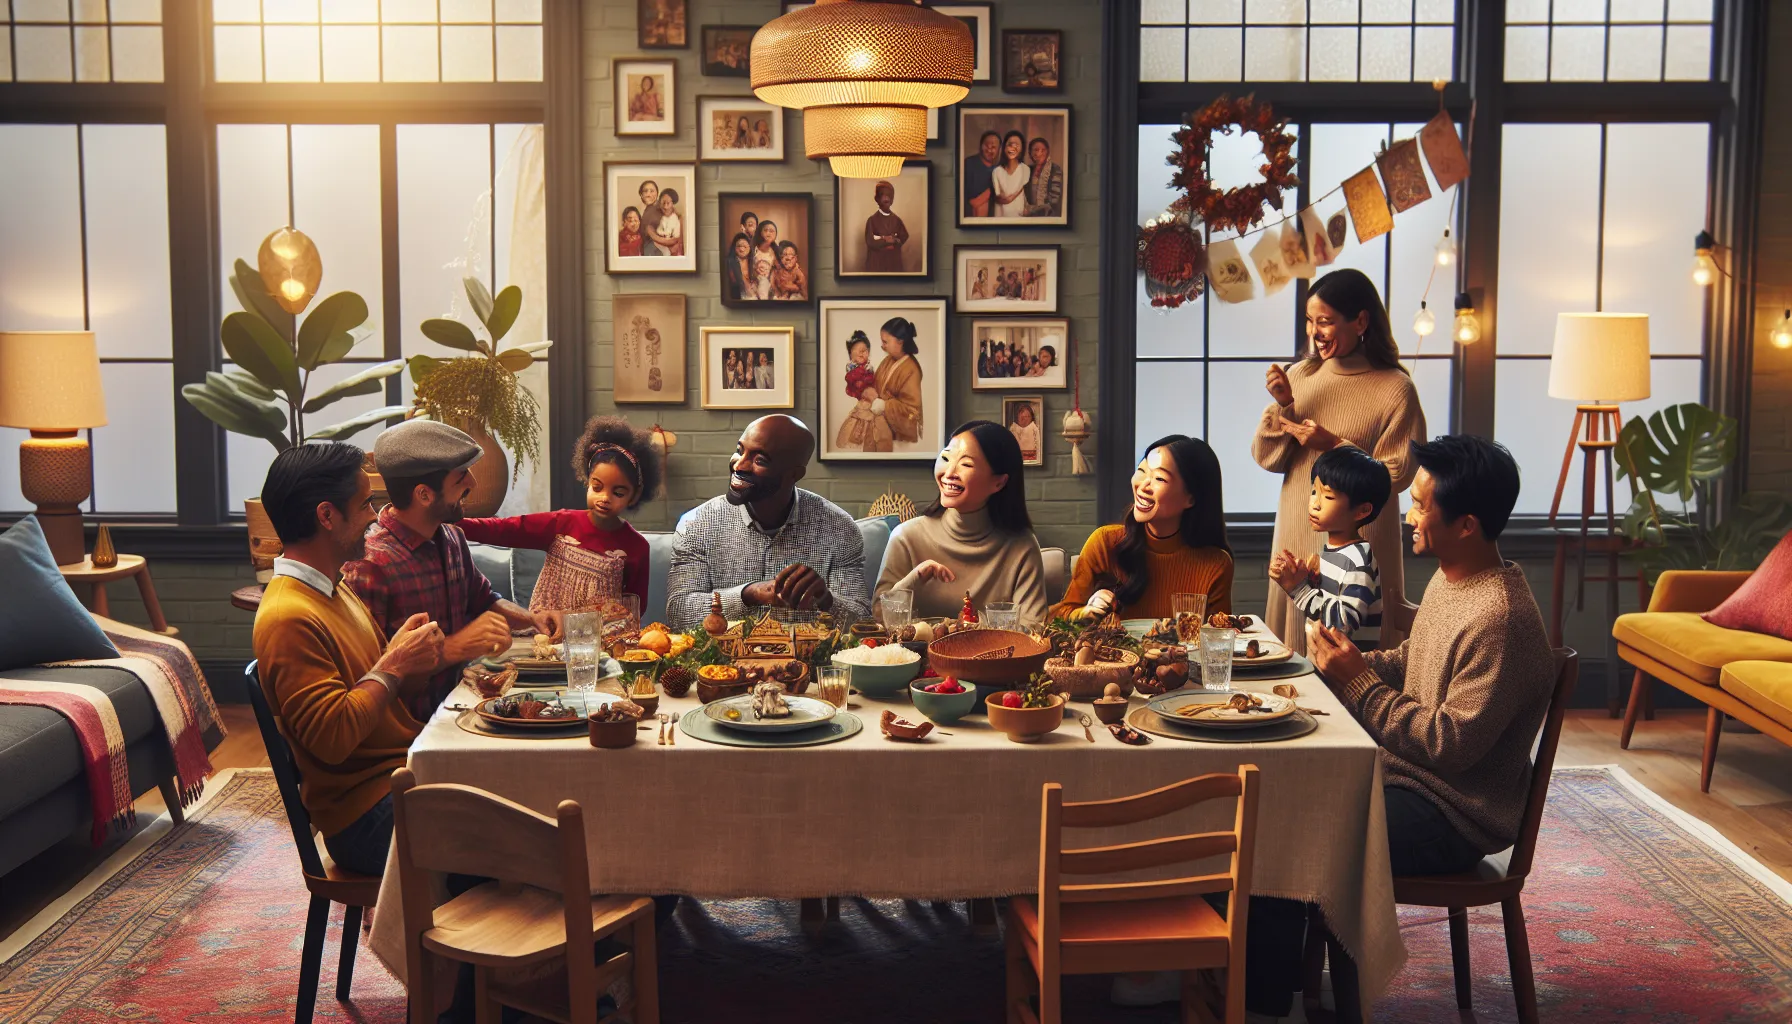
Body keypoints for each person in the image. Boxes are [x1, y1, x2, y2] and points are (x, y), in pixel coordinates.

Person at [1240, 435, 1555, 1020]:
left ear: (1465, 524)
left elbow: (1449, 745)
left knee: (1296, 830)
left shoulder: (1499, 617)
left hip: (1454, 811)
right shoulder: (1453, 577)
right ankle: (1273, 989)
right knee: (1271, 797)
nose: (1406, 515)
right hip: (1405, 778)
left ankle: (1277, 1002)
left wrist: (1358, 681)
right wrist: (1332, 669)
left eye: (1419, 504)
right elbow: (1413, 660)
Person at [252, 442, 444, 876]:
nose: (376, 517)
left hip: (394, 783)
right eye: (364, 505)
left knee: (523, 792)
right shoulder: (288, 617)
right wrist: (393, 666)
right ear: (326, 516)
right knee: (518, 839)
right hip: (364, 820)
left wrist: (403, 658)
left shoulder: (332, 587)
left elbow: (374, 692)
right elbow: (334, 739)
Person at [1252, 267, 1425, 654]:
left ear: (1361, 320)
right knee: (1292, 661)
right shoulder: (1300, 375)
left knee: (1355, 651)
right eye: (1310, 321)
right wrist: (1284, 405)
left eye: (1325, 321)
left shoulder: (1396, 389)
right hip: (1297, 528)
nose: (1314, 332)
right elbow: (1267, 457)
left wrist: (1332, 443)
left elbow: (1396, 474)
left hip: (1361, 539)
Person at [341, 420, 554, 720]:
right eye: (461, 479)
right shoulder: (367, 564)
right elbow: (369, 677)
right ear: (424, 495)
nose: (473, 484)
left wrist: (532, 619)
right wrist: (454, 647)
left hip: (465, 707)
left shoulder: (452, 537)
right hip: (414, 733)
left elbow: (483, 599)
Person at [666, 415, 869, 629]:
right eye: (739, 450)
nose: (740, 465)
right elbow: (679, 613)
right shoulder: (697, 524)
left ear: (794, 474)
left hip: (808, 660)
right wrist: (748, 595)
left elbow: (862, 622)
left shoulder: (839, 529)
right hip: (722, 661)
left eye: (759, 460)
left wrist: (827, 600)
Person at [460, 416, 660, 617]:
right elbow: (504, 529)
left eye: (618, 493)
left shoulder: (637, 547)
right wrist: (453, 523)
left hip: (597, 643)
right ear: (587, 481)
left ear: (634, 495)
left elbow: (633, 609)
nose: (605, 498)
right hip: (545, 634)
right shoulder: (561, 523)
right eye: (597, 487)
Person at [877, 420, 1048, 623]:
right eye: (946, 458)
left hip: (995, 654)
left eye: (966, 464)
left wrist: (965, 629)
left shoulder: (1022, 546)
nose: (949, 474)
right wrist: (913, 580)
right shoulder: (906, 537)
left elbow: (1033, 627)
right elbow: (879, 618)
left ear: (999, 482)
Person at [1053, 435, 1233, 621]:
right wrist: (1084, 612)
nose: (1143, 485)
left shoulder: (1216, 563)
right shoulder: (1105, 543)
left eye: (1160, 478)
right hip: (1116, 650)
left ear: (1191, 498)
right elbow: (1059, 617)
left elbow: (1220, 634)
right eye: (1142, 470)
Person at [1269, 445, 1389, 647]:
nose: (1315, 503)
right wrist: (1305, 578)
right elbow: (1327, 602)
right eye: (1314, 491)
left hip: (1347, 675)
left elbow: (1343, 622)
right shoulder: (1334, 551)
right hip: (1325, 668)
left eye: (1328, 496)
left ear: (1362, 511)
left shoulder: (1358, 560)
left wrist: (1298, 589)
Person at [866, 316, 925, 453]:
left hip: (899, 437)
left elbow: (912, 410)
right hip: (880, 425)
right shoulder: (888, 360)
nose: (882, 346)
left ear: (900, 341)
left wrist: (885, 405)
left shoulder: (911, 369)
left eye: (885, 342)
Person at [835, 331, 886, 453]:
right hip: (865, 402)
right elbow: (857, 384)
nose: (862, 352)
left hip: (873, 402)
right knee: (863, 428)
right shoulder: (853, 371)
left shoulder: (869, 368)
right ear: (850, 354)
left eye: (865, 350)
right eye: (858, 350)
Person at [863, 180, 910, 274]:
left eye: (889, 195)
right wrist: (885, 240)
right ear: (877, 198)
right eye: (882, 195)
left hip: (893, 264)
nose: (886, 198)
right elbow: (870, 242)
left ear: (892, 199)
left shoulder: (897, 220)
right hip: (876, 265)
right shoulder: (872, 220)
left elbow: (904, 236)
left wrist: (895, 240)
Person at [991, 130, 1031, 217]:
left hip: (1019, 220)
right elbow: (999, 197)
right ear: (1004, 147)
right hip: (1001, 219)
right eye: (1010, 144)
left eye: (1017, 145)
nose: (1013, 148)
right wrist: (1003, 198)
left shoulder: (1025, 169)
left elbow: (1024, 195)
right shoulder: (997, 171)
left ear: (1022, 149)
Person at [1023, 136, 1064, 219]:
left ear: (1048, 152)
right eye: (1035, 150)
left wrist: (1033, 210)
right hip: (1029, 217)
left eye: (1043, 150)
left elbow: (1054, 200)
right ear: (1030, 153)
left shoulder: (1055, 170)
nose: (1039, 153)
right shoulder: (1027, 170)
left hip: (1049, 216)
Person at [963, 130, 1001, 218]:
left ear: (999, 150)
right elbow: (972, 202)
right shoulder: (968, 164)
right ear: (980, 146)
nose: (990, 149)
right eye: (987, 145)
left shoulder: (999, 169)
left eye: (994, 147)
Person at [648, 188, 682, 257]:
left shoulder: (676, 218)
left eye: (668, 203)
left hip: (669, 246)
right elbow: (650, 229)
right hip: (654, 244)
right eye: (663, 202)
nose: (665, 206)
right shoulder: (655, 214)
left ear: (673, 203)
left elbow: (676, 238)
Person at [752, 220, 778, 301]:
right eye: (766, 230)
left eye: (771, 231)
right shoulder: (754, 248)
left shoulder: (776, 251)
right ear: (760, 232)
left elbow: (777, 269)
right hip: (754, 282)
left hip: (769, 283)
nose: (769, 233)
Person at [725, 232, 754, 301]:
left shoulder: (754, 261)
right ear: (734, 248)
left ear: (749, 247)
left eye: (744, 246)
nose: (742, 249)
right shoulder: (729, 262)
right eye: (739, 246)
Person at [637, 180, 663, 257]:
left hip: (658, 250)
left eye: (652, 191)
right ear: (641, 195)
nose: (648, 194)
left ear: (657, 193)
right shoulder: (645, 209)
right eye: (645, 191)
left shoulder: (663, 206)